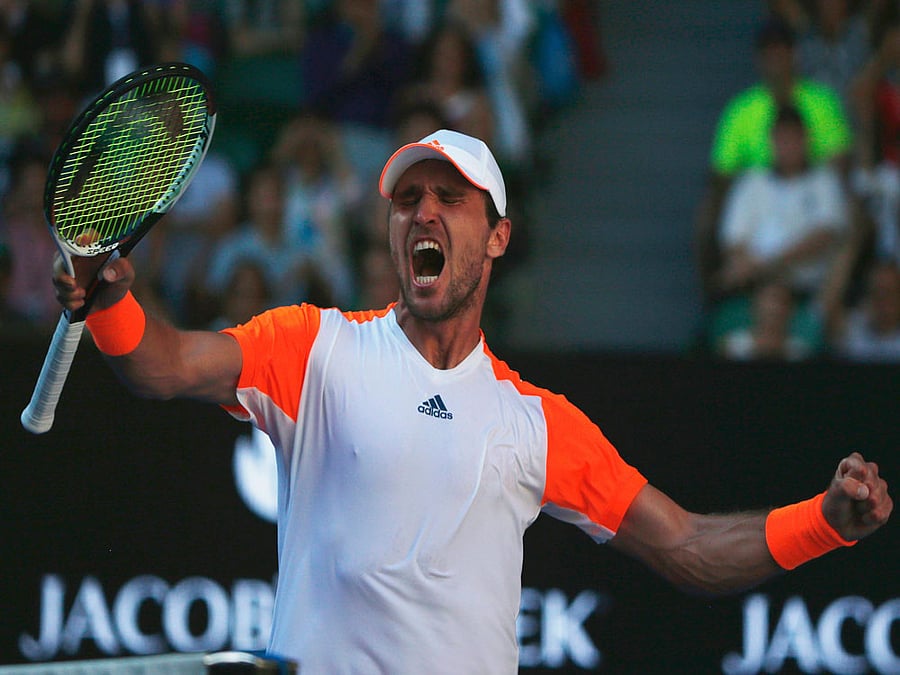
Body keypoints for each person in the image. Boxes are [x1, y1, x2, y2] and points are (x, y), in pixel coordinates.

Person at [53, 129, 892, 673]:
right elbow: (161, 367)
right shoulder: (312, 347)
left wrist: (824, 521)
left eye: (448, 198)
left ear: (495, 237)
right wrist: (114, 301)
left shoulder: (536, 422)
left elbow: (689, 547)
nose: (422, 212)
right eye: (407, 199)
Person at [694, 16, 852, 302]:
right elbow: (721, 173)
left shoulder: (821, 100)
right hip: (756, 194)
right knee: (707, 220)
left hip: (810, 191)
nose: (775, 60)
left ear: (794, 54)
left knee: (845, 208)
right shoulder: (741, 109)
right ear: (759, 59)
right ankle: (718, 306)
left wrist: (801, 183)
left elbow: (838, 163)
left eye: (781, 51)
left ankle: (833, 306)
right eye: (769, 53)